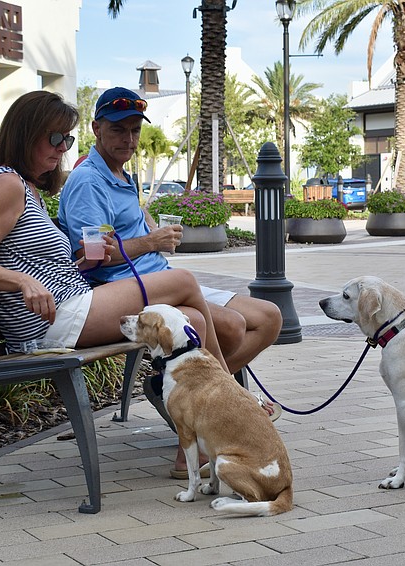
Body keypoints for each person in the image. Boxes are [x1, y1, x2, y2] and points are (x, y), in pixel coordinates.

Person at [0, 91, 232, 477]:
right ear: (24, 134)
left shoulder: (27, 186)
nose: (62, 149)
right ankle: (232, 397)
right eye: (54, 138)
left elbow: (31, 257)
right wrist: (22, 283)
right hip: (48, 320)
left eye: (66, 140)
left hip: (69, 305)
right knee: (183, 281)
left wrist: (77, 261)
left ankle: (194, 452)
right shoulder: (7, 184)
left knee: (190, 320)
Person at [57, 86, 282, 475]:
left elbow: (127, 240)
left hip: (161, 279)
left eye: (133, 130)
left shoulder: (121, 175)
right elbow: (92, 258)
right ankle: (221, 415)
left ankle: (180, 393)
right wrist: (150, 241)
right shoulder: (88, 182)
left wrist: (150, 239)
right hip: (125, 288)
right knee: (227, 325)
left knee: (269, 316)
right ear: (96, 128)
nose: (128, 139)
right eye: (117, 130)